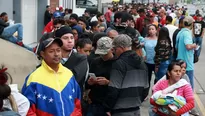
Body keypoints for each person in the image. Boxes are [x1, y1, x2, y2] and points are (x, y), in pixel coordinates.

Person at [22, 38, 82, 116]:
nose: (56, 54)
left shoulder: (69, 74)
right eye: (51, 51)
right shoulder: (33, 78)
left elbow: (77, 103)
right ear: (43, 54)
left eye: (58, 50)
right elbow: (27, 109)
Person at [103, 34, 148, 116]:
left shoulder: (119, 64)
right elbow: (145, 89)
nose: (114, 52)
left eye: (115, 49)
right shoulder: (142, 64)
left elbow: (114, 89)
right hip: (136, 110)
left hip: (120, 110)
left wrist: (107, 107)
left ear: (121, 48)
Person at [86, 37, 115, 116]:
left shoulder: (117, 63)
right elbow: (88, 82)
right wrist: (90, 82)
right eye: (100, 53)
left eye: (105, 53)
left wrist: (108, 82)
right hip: (95, 101)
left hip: (109, 103)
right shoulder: (95, 61)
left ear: (112, 50)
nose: (102, 56)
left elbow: (121, 85)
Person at [55, 26, 88, 94]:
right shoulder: (52, 58)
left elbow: (74, 78)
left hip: (74, 99)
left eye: (72, 38)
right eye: (65, 38)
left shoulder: (81, 58)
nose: (70, 41)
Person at [176, 16, 197, 89]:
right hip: (187, 62)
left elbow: (176, 47)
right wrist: (194, 45)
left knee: (181, 84)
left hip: (179, 61)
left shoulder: (180, 33)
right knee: (189, 84)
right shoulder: (187, 33)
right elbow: (188, 46)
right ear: (191, 24)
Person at [143, 24, 158, 100]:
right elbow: (141, 48)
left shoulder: (158, 40)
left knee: (157, 79)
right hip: (147, 62)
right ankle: (145, 94)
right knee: (147, 79)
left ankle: (155, 94)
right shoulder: (145, 39)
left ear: (156, 30)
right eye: (150, 29)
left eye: (153, 29)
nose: (151, 31)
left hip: (156, 63)